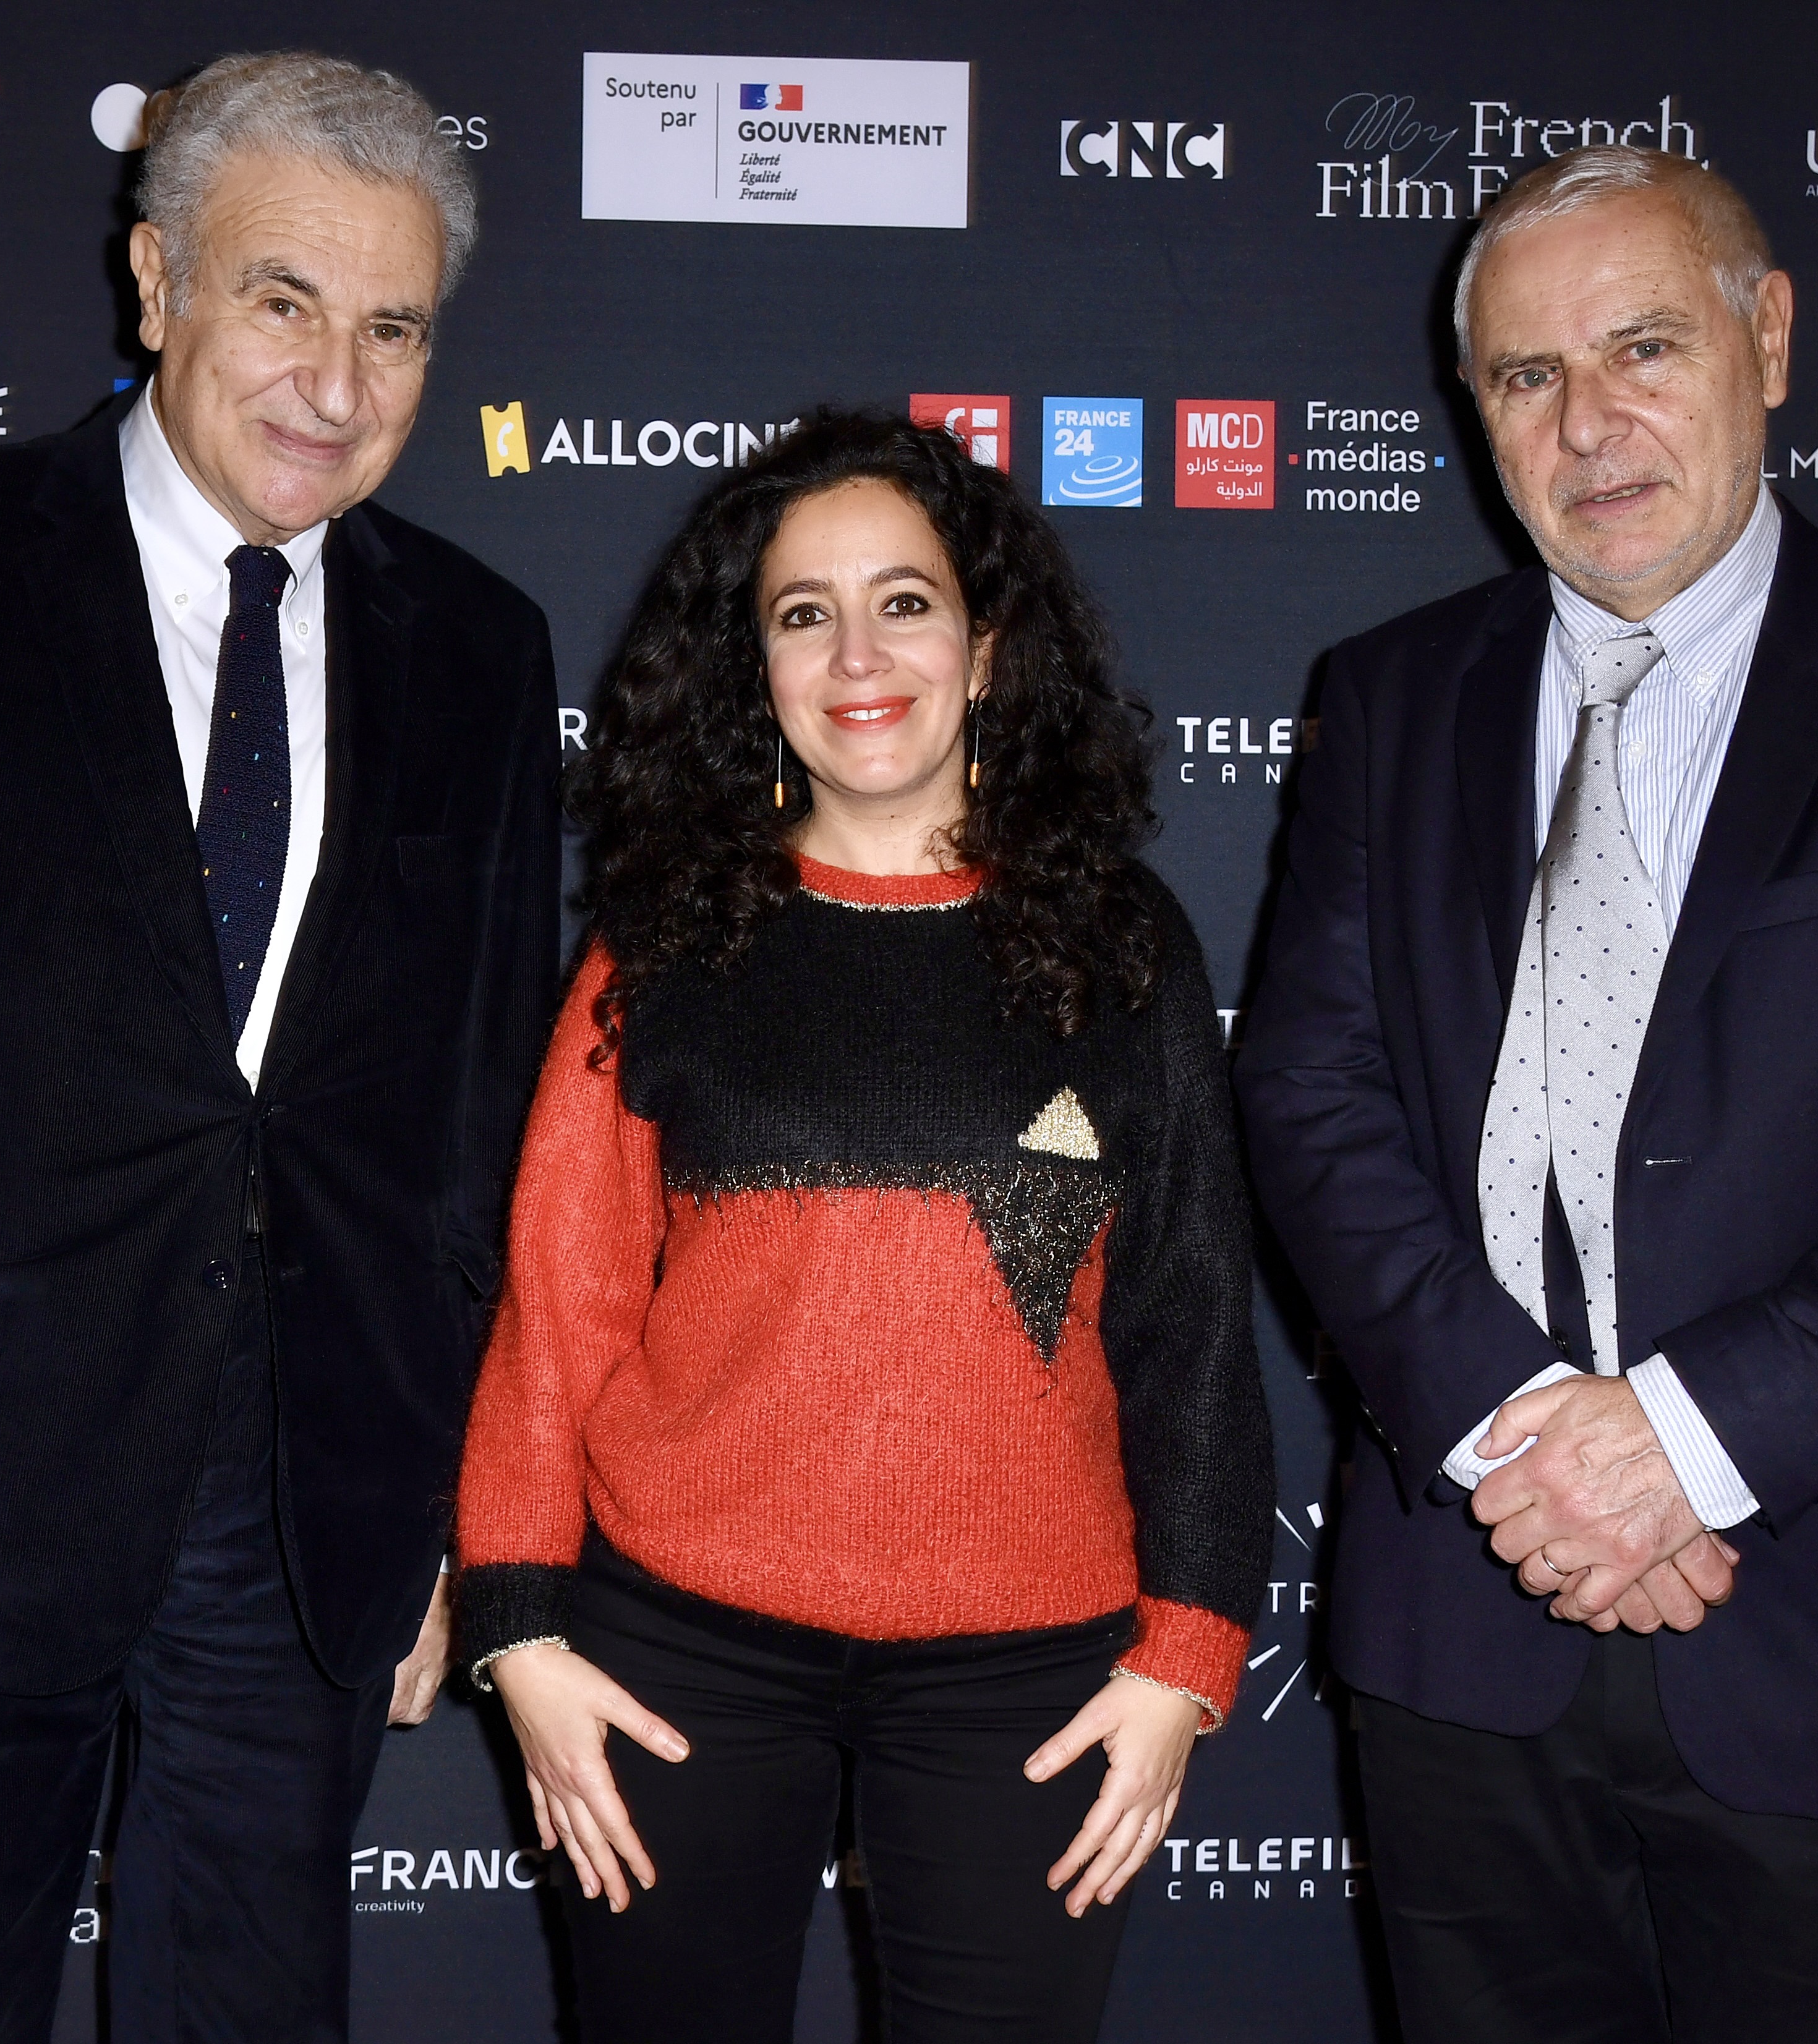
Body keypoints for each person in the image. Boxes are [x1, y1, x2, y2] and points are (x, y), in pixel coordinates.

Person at [0, 52, 562, 2043]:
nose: (337, 377)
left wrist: (444, 1532)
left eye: (393, 325)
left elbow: (480, 1128)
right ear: (157, 285)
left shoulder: (482, 649)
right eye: (281, 299)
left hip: (307, 1509)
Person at [1239, 145, 1818, 2042]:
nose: (1590, 424)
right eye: (1525, 377)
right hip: (1466, 1637)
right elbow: (1313, 1099)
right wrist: (1518, 1436)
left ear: (1770, 335)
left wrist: (1678, 1445)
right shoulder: (1388, 700)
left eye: (1642, 346)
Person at [451, 412, 1274, 2043]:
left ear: (991, 639)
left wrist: (1187, 1649)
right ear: (753, 665)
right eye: (801, 611)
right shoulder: (669, 936)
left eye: (904, 599)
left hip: (1027, 1676)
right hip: (677, 1651)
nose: (856, 652)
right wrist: (520, 1625)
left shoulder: (1119, 943)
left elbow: (1187, 1312)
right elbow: (562, 1295)